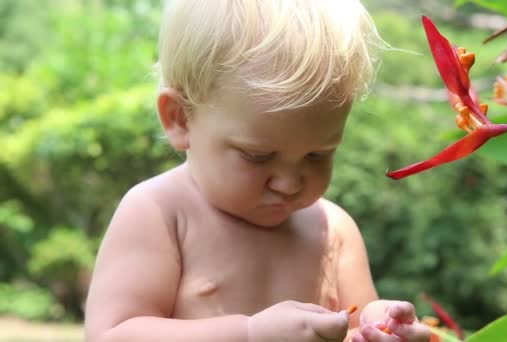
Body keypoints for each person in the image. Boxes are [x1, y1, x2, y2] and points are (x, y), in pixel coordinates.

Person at [84, 0, 431, 341]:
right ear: (180, 118)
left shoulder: (335, 231)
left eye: (317, 154)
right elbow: (112, 334)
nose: (289, 183)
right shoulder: (160, 212)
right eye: (257, 155)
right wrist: (248, 333)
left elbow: (353, 328)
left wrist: (379, 328)